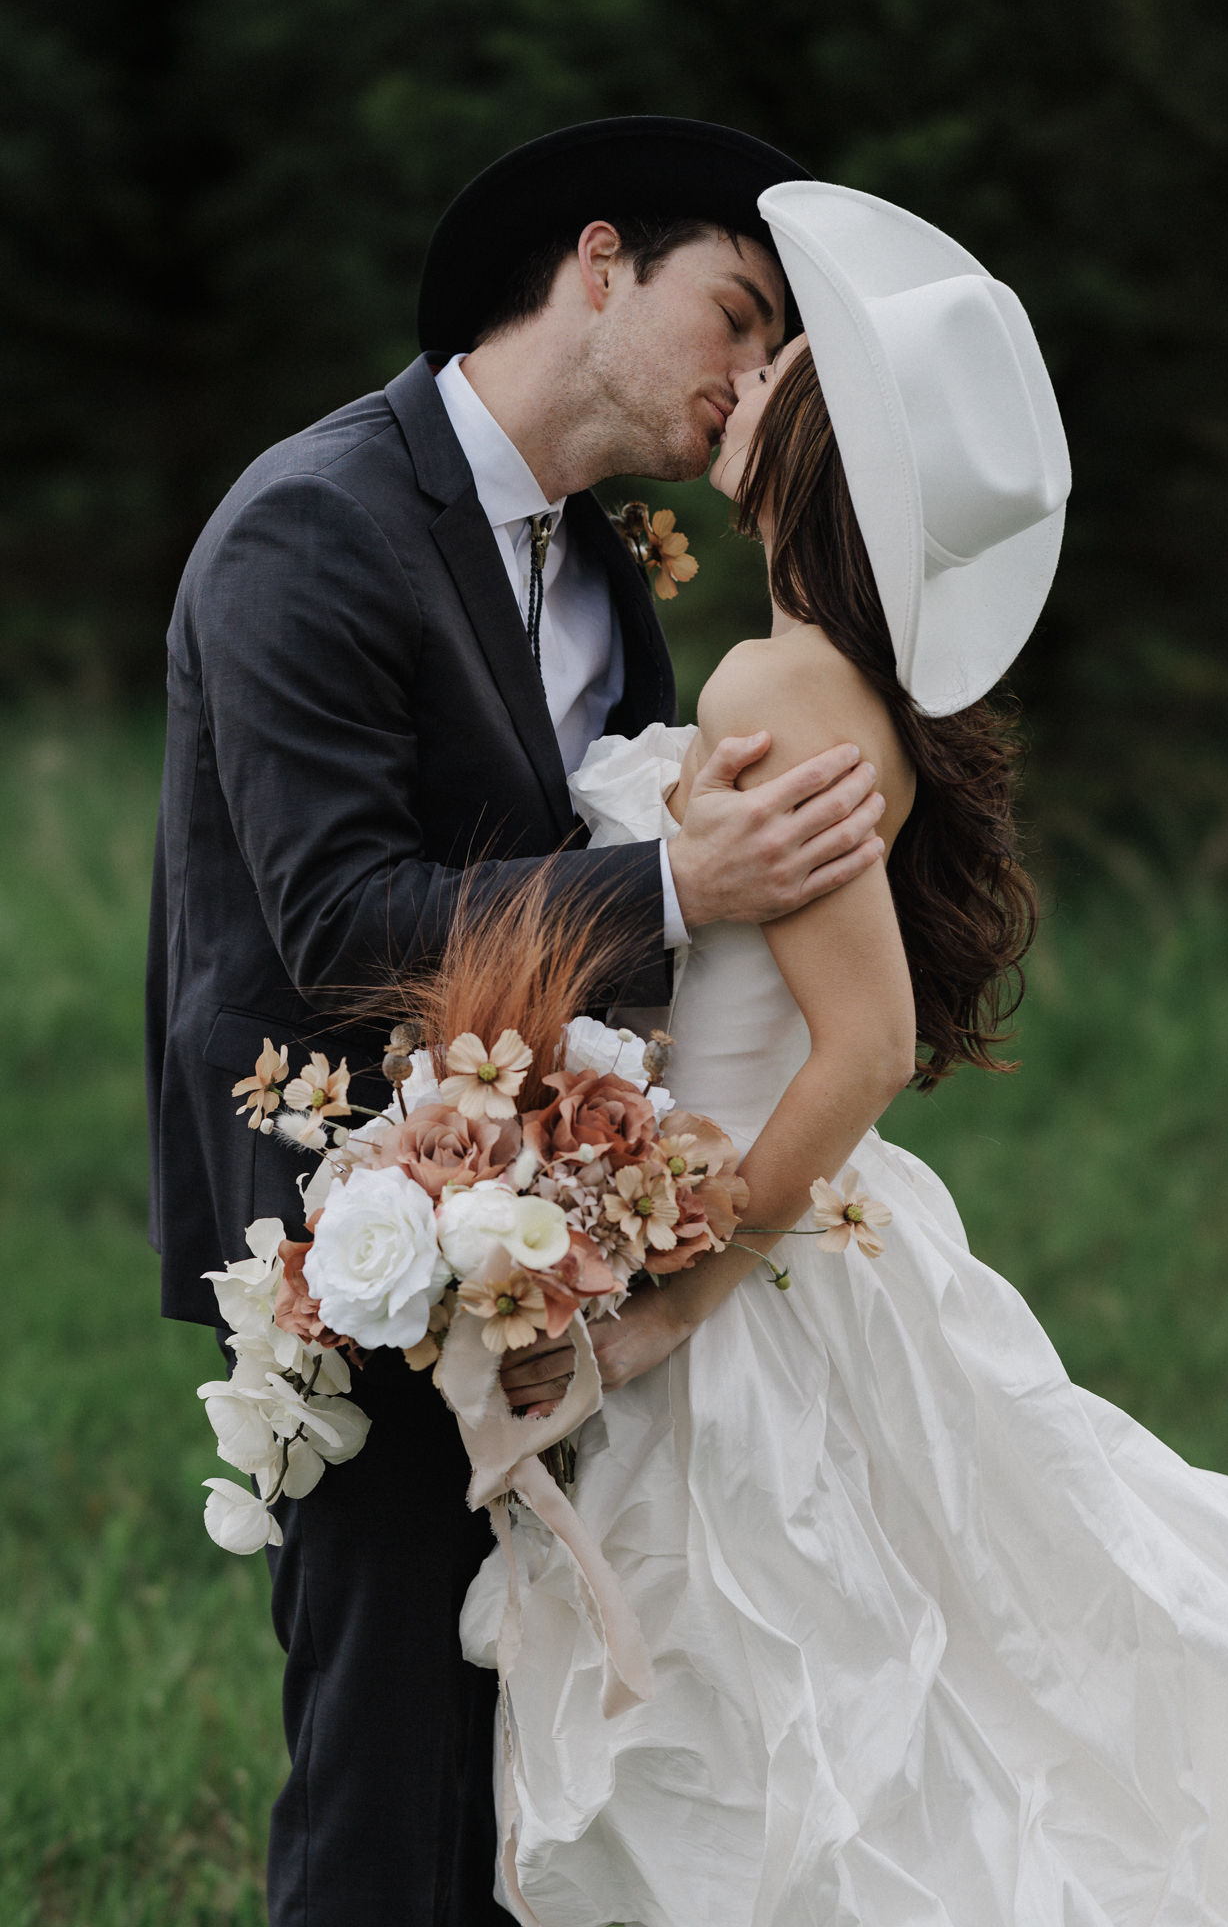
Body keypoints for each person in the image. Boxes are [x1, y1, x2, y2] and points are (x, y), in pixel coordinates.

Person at [459, 182, 1228, 1925]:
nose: (753, 375)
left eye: (788, 366)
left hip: (744, 1264)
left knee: (793, 1738)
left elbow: (862, 1048)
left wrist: (673, 1306)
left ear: (833, 448)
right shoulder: (826, 673)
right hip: (762, 1223)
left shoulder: (776, 688)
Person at [146, 120, 893, 1927]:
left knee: (536, 1763)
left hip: (558, 1227)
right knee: (386, 1755)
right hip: (355, 1234)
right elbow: (334, 928)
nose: (753, 379)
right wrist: (671, 893)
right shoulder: (310, 527)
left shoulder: (605, 571)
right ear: (598, 260)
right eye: (736, 316)